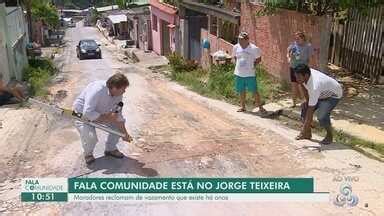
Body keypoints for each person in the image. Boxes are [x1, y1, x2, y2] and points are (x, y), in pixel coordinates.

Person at [73, 73, 133, 164]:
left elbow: (118, 116)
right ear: (114, 87)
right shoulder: (97, 90)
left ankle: (110, 149)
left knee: (118, 129)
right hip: (82, 115)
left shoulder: (118, 94)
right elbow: (88, 113)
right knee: (91, 138)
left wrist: (125, 134)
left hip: (101, 114)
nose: (124, 91)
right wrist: (106, 118)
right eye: (123, 89)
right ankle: (88, 154)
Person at [293, 64, 343, 145]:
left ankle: (329, 135)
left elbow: (311, 111)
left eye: (298, 77)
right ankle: (307, 134)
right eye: (296, 76)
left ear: (306, 75)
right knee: (304, 107)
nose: (296, 79)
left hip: (333, 95)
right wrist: (306, 100)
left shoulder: (315, 86)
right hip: (321, 93)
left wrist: (303, 130)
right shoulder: (305, 75)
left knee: (322, 116)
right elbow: (303, 87)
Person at [232, 31, 266, 113]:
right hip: (239, 73)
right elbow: (235, 57)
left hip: (250, 74)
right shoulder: (236, 47)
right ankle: (243, 107)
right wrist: (238, 65)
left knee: (254, 91)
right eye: (239, 39)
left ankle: (260, 108)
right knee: (241, 90)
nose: (240, 41)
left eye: (242, 40)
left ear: (247, 40)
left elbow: (259, 59)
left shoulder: (254, 48)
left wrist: (253, 66)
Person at [287, 32, 314, 107]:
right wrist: (289, 58)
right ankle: (294, 103)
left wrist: (311, 68)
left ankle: (305, 102)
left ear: (303, 38)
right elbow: (288, 54)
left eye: (298, 39)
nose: (296, 40)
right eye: (295, 39)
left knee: (303, 85)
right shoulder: (293, 45)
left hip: (303, 68)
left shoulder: (308, 46)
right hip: (293, 67)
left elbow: (311, 58)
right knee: (294, 85)